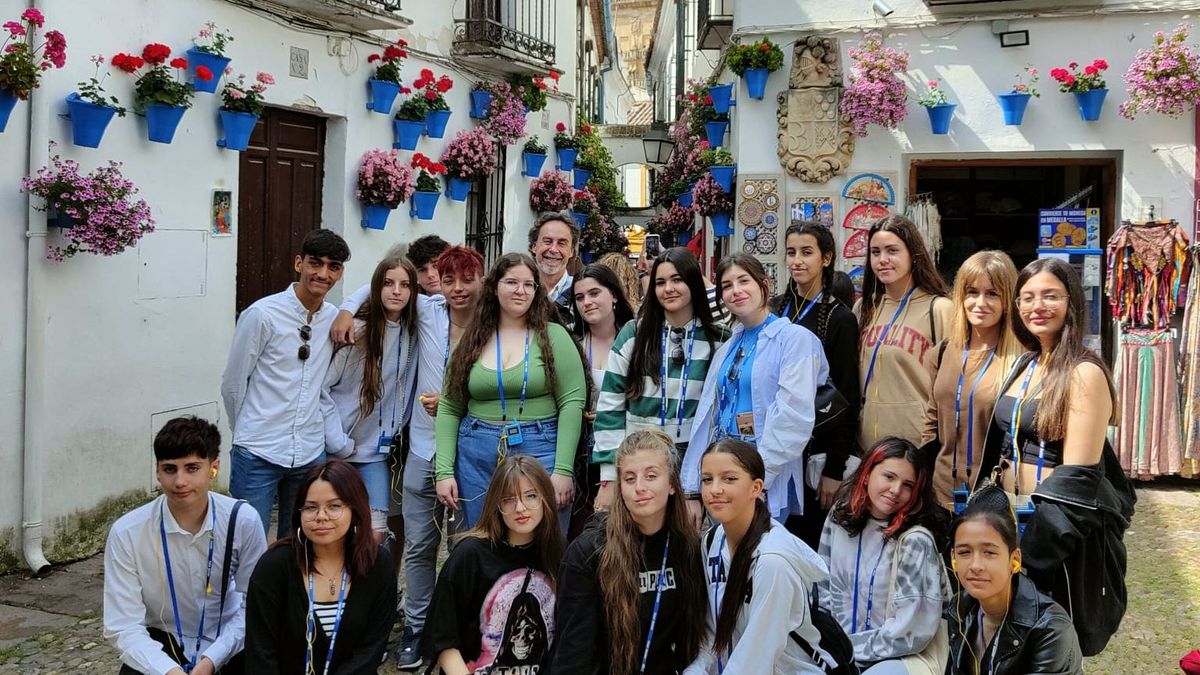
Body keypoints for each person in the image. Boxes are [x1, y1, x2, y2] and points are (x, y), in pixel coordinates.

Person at [977, 257, 1135, 656]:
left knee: (1048, 645)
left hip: (1055, 537)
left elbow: (1077, 478)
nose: (1037, 306)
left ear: (1072, 303)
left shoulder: (1084, 372)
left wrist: (1028, 558)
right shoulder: (1027, 363)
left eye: (1050, 296)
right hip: (1014, 520)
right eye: (1027, 297)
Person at [434, 252, 587, 532]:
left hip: (540, 447)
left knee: (542, 542)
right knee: (481, 539)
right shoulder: (472, 338)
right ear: (494, 287)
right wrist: (444, 471)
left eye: (529, 285)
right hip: (476, 450)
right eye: (512, 282)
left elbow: (572, 402)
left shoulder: (554, 336)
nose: (521, 291)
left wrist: (563, 470)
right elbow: (450, 406)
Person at [104, 416, 267, 675]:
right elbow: (123, 625)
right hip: (163, 641)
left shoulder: (242, 521)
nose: (180, 481)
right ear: (157, 471)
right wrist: (168, 670)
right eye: (170, 469)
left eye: (192, 468)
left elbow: (255, 607)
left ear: (213, 468)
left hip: (229, 640)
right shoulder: (128, 533)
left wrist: (212, 660)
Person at [221, 228, 351, 538]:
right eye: (315, 263)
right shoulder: (262, 315)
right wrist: (247, 430)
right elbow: (233, 383)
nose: (322, 273)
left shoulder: (333, 318)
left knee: (301, 543)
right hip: (258, 451)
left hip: (308, 452)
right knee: (245, 543)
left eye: (332, 266)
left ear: (340, 272)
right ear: (298, 263)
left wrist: (347, 309)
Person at [683, 253, 827, 526]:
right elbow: (709, 416)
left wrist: (759, 480)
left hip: (761, 475)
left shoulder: (794, 340)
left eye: (744, 281)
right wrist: (695, 483)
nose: (736, 291)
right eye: (727, 285)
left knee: (757, 556)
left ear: (765, 285)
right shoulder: (728, 346)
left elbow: (794, 417)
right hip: (722, 469)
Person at [550, 430, 708, 674]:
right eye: (629, 478)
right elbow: (573, 656)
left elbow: (693, 639)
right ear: (620, 488)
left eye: (651, 476)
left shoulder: (687, 548)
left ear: (672, 485)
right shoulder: (588, 553)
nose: (639, 487)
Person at [594, 247, 728, 513]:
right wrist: (609, 477)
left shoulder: (719, 339)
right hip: (638, 459)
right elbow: (610, 405)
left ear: (693, 281)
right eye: (660, 282)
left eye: (677, 279)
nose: (669, 289)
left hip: (694, 460)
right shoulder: (634, 333)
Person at [691, 438, 831, 674]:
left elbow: (755, 661)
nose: (715, 489)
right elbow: (712, 632)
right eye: (707, 479)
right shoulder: (712, 541)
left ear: (756, 488)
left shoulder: (772, 561)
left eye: (729, 478)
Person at [244, 459, 396, 673]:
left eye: (334, 506)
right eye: (311, 507)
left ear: (355, 509)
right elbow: (261, 653)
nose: (321, 516)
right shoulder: (274, 566)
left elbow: (371, 651)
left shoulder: (378, 564)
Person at [422, 456, 564, 675]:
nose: (520, 508)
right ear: (496, 504)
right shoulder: (469, 555)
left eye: (531, 496)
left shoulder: (559, 554)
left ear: (546, 498)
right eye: (508, 499)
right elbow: (443, 638)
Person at [818, 437, 948, 673]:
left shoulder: (916, 541)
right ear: (867, 474)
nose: (896, 490)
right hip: (841, 652)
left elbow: (911, 632)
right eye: (889, 477)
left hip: (904, 657)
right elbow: (823, 589)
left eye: (908, 484)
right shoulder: (839, 517)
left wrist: (846, 650)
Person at [772, 222, 863, 547]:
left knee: (807, 543)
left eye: (806, 252)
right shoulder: (777, 309)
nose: (797, 260)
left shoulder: (840, 319)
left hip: (815, 452)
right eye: (791, 252)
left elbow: (846, 395)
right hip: (777, 450)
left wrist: (834, 469)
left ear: (826, 258)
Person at [321, 255, 418, 538]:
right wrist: (338, 442)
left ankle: (371, 583)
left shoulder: (415, 331)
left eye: (405, 285)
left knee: (376, 533)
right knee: (336, 529)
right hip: (338, 448)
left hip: (375, 453)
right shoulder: (357, 332)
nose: (396, 291)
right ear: (377, 287)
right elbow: (322, 391)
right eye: (388, 284)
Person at [921, 251, 1023, 512]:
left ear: (1008, 299)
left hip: (994, 498)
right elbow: (931, 422)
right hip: (940, 496)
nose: (980, 302)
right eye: (972, 292)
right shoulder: (942, 353)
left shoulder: (1021, 359)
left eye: (992, 293)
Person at [945, 483, 1083, 675]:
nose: (975, 565)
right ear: (953, 558)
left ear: (1015, 560)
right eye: (964, 552)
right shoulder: (960, 609)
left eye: (989, 552)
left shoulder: (1049, 627)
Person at [857, 215, 952, 450]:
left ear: (913, 254)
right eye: (875, 252)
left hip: (917, 446)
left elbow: (951, 387)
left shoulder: (939, 308)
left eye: (892, 251)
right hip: (868, 447)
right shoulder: (864, 308)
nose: (883, 260)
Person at [571, 264, 637, 529]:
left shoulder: (635, 340)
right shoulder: (572, 342)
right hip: (581, 450)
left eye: (594, 293)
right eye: (579, 297)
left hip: (624, 444)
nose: (587, 302)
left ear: (614, 296)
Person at [529, 211, 580, 324]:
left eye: (562, 243)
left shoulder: (580, 293)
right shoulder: (520, 290)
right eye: (547, 241)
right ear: (534, 247)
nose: (553, 249)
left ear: (571, 251)